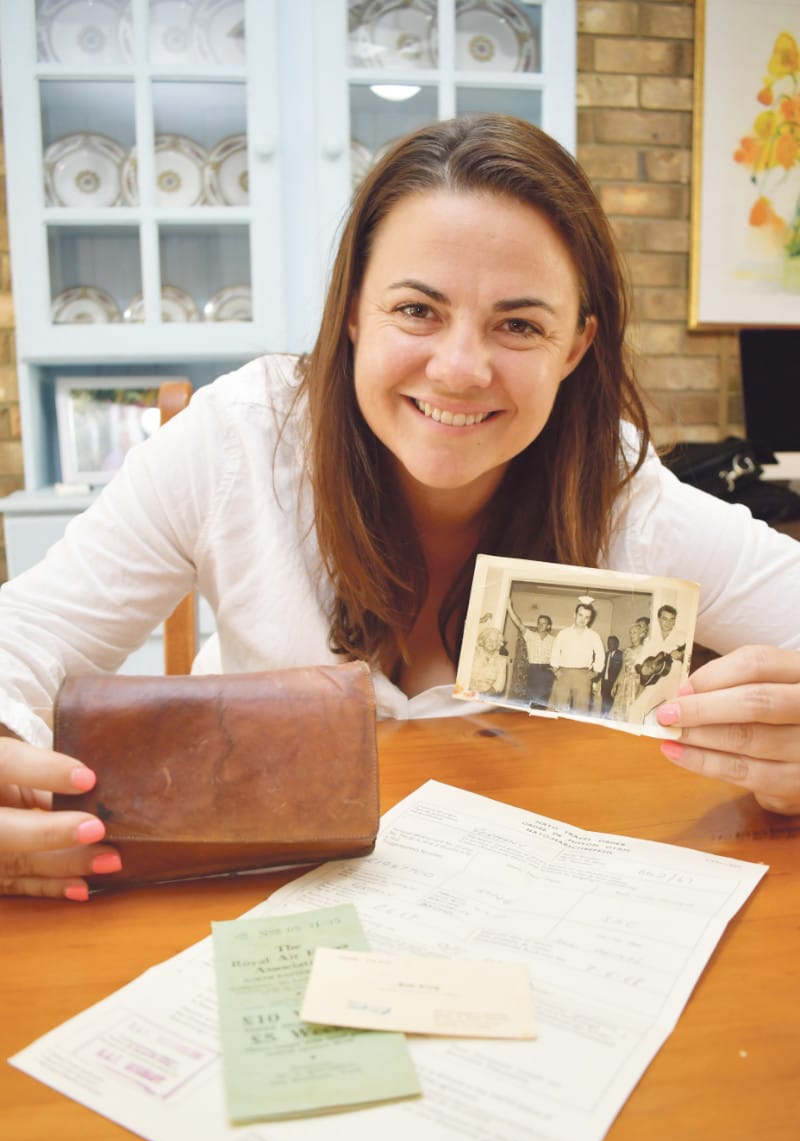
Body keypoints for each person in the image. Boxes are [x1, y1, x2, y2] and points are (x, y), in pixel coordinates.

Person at [2, 111, 800, 901]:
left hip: (517, 905)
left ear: (576, 347)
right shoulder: (238, 442)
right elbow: (29, 635)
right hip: (264, 893)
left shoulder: (619, 492)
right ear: (353, 310)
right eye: (417, 310)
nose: (459, 368)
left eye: (518, 324)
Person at [549, 599, 606, 713]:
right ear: (574, 615)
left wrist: (596, 671)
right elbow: (555, 651)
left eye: (587, 617)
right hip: (563, 674)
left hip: (583, 676)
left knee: (581, 710)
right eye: (580, 615)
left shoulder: (593, 635)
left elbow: (600, 654)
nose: (582, 619)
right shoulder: (563, 633)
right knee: (560, 709)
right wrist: (555, 670)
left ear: (590, 619)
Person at [507, 605, 555, 707]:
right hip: (534, 669)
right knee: (531, 698)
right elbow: (519, 623)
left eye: (544, 623)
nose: (541, 625)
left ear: (548, 626)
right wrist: (509, 607)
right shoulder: (530, 636)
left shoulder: (554, 640)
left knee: (543, 700)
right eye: (539, 623)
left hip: (548, 671)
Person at [610, 621, 648, 723]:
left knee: (631, 712)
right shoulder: (626, 651)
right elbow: (623, 669)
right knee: (619, 714)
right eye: (630, 633)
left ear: (641, 634)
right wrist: (615, 684)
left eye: (634, 632)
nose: (631, 635)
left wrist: (641, 688)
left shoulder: (645, 650)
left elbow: (646, 672)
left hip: (636, 684)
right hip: (624, 685)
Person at [469, 626, 508, 696]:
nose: (491, 643)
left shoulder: (502, 661)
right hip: (467, 691)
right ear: (483, 640)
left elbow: (499, 684)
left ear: (498, 644)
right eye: (489, 639)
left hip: (487, 695)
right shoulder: (472, 654)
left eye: (495, 641)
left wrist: (485, 695)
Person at [600, 634, 624, 716]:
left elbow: (622, 671)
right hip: (605, 684)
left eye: (611, 643)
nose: (609, 645)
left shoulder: (621, 655)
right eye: (608, 643)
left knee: (612, 704)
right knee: (604, 704)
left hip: (614, 685)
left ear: (617, 644)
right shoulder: (605, 655)